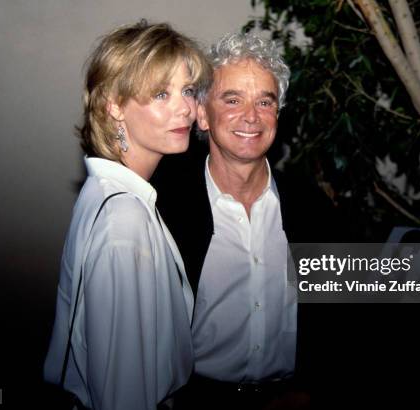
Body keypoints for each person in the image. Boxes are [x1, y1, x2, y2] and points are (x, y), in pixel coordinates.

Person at [152, 32, 341, 409]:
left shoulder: (311, 207)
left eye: (265, 101)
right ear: (203, 114)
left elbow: (337, 318)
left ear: (277, 115)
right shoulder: (163, 208)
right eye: (233, 99)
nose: (251, 116)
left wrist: (313, 389)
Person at [43, 21, 211, 410]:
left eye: (187, 90)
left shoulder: (114, 194)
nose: (184, 107)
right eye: (160, 94)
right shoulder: (124, 220)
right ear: (114, 105)